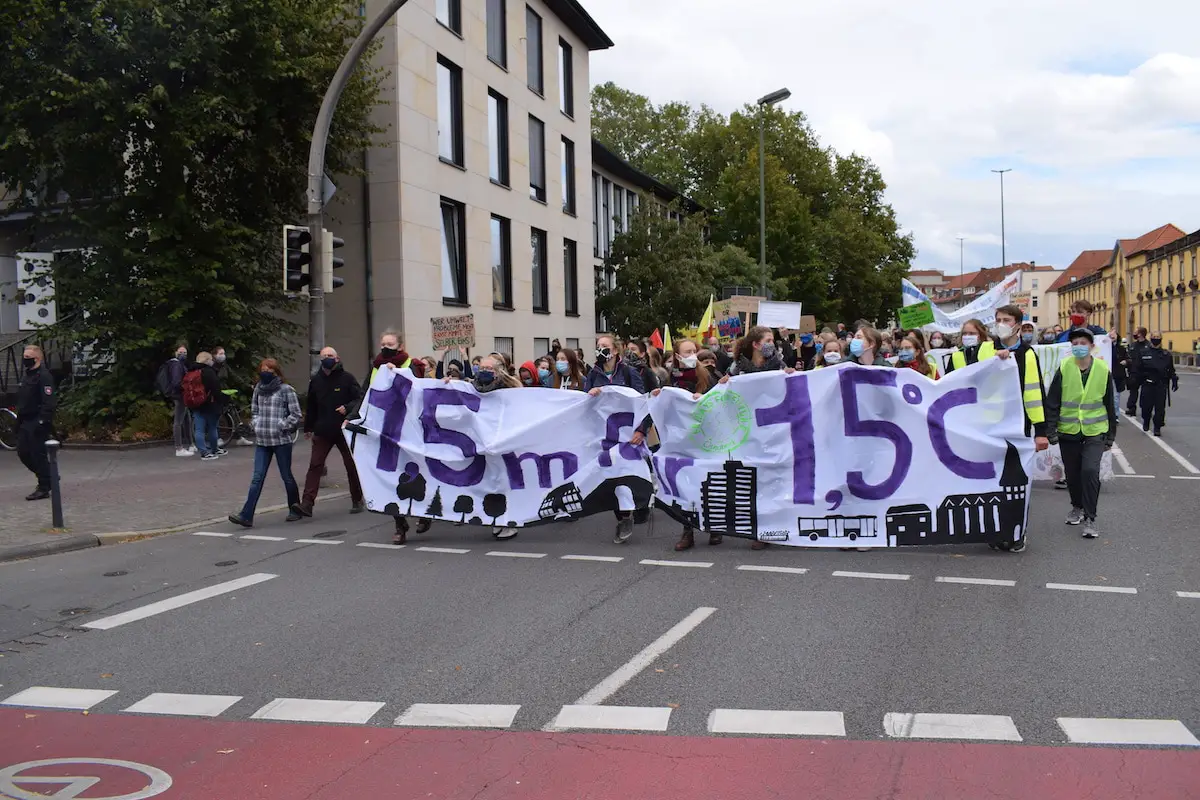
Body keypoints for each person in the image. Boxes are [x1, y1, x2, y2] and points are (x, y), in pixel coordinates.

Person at [1045, 329, 1118, 539]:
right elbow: (1053, 401)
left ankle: (1090, 518)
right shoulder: (1065, 367)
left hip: (1095, 431)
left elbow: (1110, 404)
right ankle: (1076, 506)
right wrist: (1051, 429)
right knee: (1074, 475)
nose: (1078, 346)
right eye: (1075, 342)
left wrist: (1111, 435)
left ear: (1091, 346)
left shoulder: (1103, 369)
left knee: (1089, 471)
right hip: (1069, 431)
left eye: (1083, 342)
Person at [656, 339, 721, 552]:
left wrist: (704, 399)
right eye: (688, 351)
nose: (693, 354)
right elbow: (661, 407)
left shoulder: (707, 375)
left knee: (708, 482)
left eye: (694, 350)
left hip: (705, 438)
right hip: (681, 439)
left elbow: (720, 403)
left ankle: (715, 527)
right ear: (677, 356)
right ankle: (688, 530)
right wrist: (656, 400)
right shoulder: (669, 380)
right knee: (685, 484)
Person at [364, 330, 427, 542]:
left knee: (416, 475)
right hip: (386, 431)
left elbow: (419, 393)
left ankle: (424, 514)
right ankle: (400, 525)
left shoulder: (411, 365)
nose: (385, 347)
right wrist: (353, 417)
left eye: (389, 343)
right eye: (382, 343)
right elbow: (366, 394)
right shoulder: (376, 367)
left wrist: (398, 375)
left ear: (399, 346)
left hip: (410, 432)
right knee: (389, 475)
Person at [586, 334, 648, 543]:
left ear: (615, 351)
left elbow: (643, 403)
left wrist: (641, 430)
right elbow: (583, 406)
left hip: (628, 435)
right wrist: (591, 394)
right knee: (610, 477)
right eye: (598, 346)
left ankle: (632, 509)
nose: (600, 349)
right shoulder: (593, 374)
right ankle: (622, 516)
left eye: (604, 346)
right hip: (605, 436)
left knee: (626, 475)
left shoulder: (629, 373)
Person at [228, 360, 303, 528]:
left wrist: (281, 426)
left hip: (281, 441)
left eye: (269, 369)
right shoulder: (258, 389)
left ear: (276, 372)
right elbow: (254, 411)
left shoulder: (286, 390)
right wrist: (257, 424)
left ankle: (294, 508)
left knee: (286, 476)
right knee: (257, 478)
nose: (265, 372)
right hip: (262, 441)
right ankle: (246, 515)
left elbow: (296, 414)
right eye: (263, 369)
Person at [299, 346, 365, 517]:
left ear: (337, 358)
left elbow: (359, 398)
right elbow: (311, 406)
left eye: (330, 355)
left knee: (351, 465)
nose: (327, 358)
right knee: (315, 465)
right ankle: (306, 504)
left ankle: (357, 499)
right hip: (322, 430)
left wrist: (348, 408)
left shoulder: (347, 378)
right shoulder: (316, 381)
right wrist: (308, 427)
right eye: (324, 356)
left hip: (344, 429)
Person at [16, 345, 56, 500]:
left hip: (36, 420)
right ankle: (49, 476)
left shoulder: (44, 376)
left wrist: (42, 421)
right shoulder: (27, 375)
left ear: (37, 358)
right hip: (25, 420)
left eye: (28, 357)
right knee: (23, 453)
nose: (25, 360)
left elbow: (49, 401)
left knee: (37, 454)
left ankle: (44, 486)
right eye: (24, 357)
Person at [1132, 331, 1177, 435]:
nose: (1156, 339)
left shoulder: (1166, 354)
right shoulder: (1144, 352)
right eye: (1154, 337)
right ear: (1150, 338)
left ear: (1161, 339)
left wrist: (1174, 380)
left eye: (1158, 337)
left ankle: (1157, 427)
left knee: (1160, 408)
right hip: (1148, 384)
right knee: (1146, 407)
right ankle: (1146, 421)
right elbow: (1137, 368)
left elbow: (1171, 369)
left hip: (1161, 385)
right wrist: (1134, 379)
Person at [189, 352, 224, 460]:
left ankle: (203, 452)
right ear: (207, 360)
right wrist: (222, 401)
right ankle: (214, 449)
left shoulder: (191, 371)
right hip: (210, 404)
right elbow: (216, 389)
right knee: (212, 428)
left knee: (199, 429)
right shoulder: (209, 372)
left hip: (196, 404)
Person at [166, 343, 192, 456]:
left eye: (185, 353)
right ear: (176, 352)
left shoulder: (178, 364)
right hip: (180, 395)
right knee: (178, 421)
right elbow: (176, 382)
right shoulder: (176, 365)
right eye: (181, 352)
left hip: (180, 395)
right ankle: (179, 448)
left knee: (187, 419)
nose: (183, 354)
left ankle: (191, 444)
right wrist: (185, 387)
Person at [1124, 327, 1149, 416]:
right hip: (1134, 372)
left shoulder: (1148, 345)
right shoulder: (1133, 345)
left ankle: (1145, 409)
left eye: (1135, 332)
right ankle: (1131, 408)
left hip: (1145, 373)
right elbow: (1129, 357)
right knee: (1133, 392)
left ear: (1140, 334)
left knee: (1145, 393)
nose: (1133, 333)